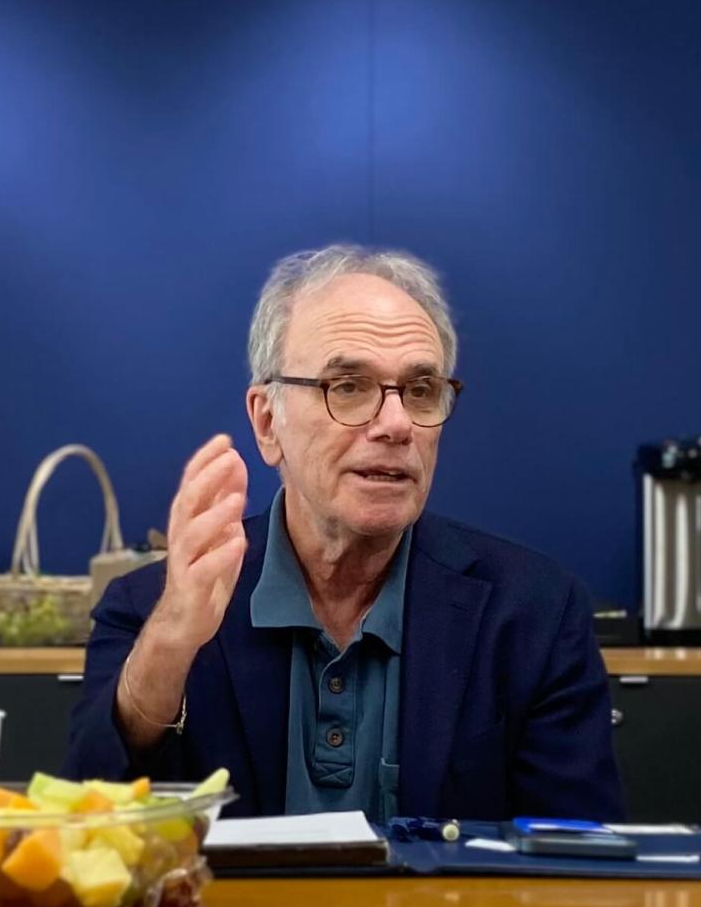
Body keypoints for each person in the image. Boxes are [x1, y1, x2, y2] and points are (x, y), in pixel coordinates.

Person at [64, 245, 624, 822]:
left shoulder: (534, 613)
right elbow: (88, 829)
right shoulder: (148, 609)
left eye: (421, 390)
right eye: (348, 386)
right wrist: (172, 642)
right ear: (266, 422)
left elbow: (580, 866)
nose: (396, 424)